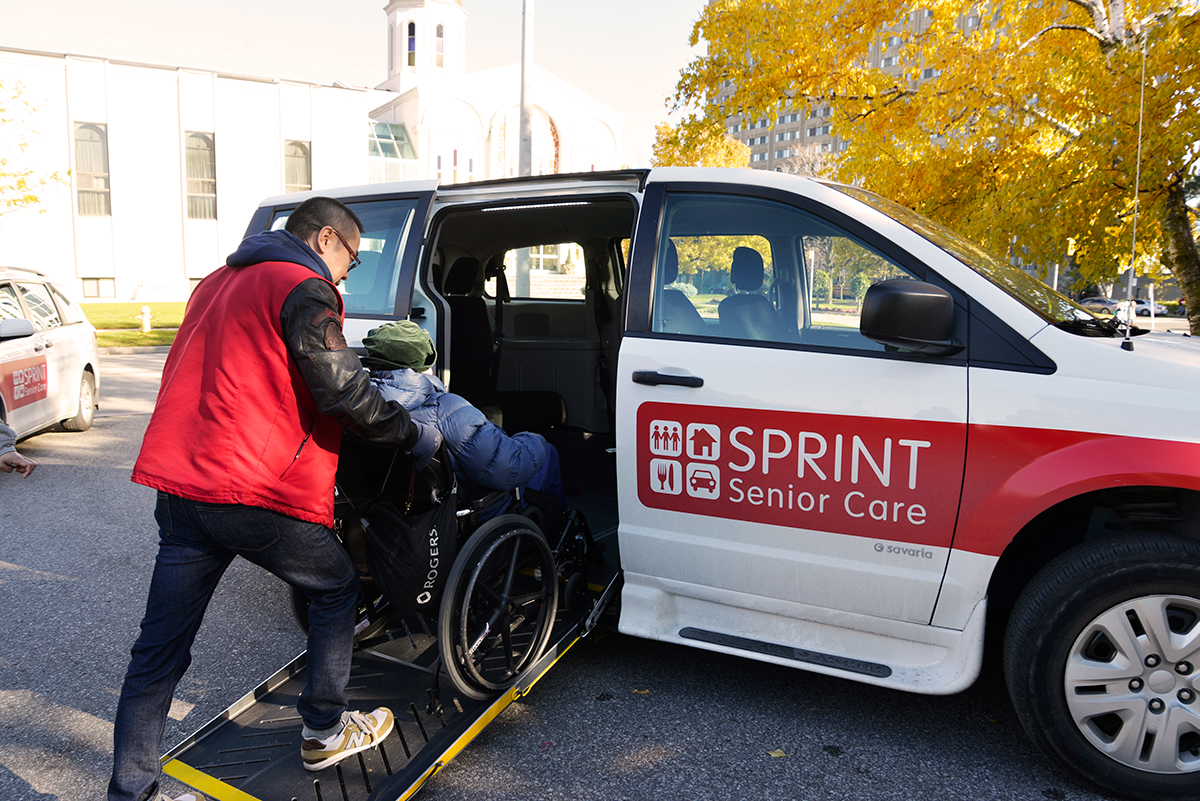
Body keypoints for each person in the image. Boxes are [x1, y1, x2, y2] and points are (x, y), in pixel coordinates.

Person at [109, 197, 441, 801]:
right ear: (323, 241)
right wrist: (411, 432)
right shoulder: (305, 289)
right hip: (250, 488)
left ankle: (130, 792)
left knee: (159, 651)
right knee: (337, 588)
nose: (348, 273)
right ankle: (324, 731)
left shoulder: (215, 283)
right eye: (352, 259)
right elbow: (342, 392)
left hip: (182, 485)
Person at [361, 320, 568, 522]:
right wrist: (533, 440)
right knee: (548, 454)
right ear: (425, 366)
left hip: (390, 513)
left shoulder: (360, 407)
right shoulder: (448, 409)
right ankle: (554, 540)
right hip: (464, 514)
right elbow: (507, 468)